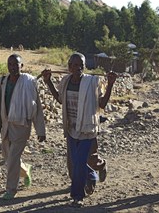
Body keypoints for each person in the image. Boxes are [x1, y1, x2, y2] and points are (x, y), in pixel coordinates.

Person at [41, 52, 117, 206]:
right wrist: (48, 82)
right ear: (69, 67)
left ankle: (78, 196)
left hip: (87, 129)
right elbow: (60, 99)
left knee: (80, 162)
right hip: (71, 129)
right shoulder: (66, 81)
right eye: (75, 65)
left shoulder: (93, 82)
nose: (78, 68)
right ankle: (92, 177)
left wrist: (110, 84)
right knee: (75, 164)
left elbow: (101, 104)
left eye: (81, 65)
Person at [0, 54, 46, 200]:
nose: (13, 67)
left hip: (22, 125)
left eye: (16, 64)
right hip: (5, 124)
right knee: (9, 158)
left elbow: (36, 107)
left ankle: (11, 189)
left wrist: (40, 130)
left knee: (13, 157)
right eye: (10, 64)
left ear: (22, 66)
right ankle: (26, 170)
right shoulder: (1, 82)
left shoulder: (29, 82)